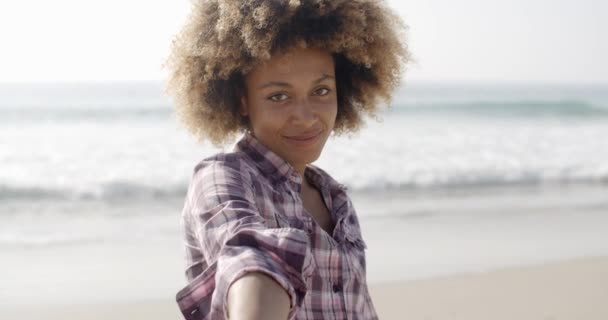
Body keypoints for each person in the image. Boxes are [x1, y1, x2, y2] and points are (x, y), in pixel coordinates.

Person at [164, 0, 410, 319]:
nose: (306, 117)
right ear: (242, 100)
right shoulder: (222, 178)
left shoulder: (335, 199)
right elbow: (251, 263)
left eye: (321, 91)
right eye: (279, 96)